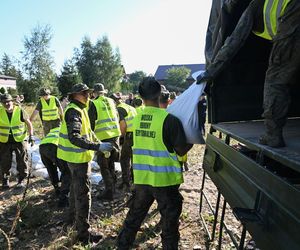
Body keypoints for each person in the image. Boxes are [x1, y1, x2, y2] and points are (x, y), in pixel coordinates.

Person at [197, 0, 300, 147]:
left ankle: (273, 135)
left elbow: (234, 41)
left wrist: (211, 71)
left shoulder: (254, 7)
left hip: (293, 21)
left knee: (275, 80)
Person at [117, 77, 193, 249]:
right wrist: (192, 139)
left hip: (143, 179)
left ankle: (122, 245)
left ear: (140, 96)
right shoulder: (169, 119)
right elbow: (181, 150)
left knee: (134, 218)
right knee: (169, 225)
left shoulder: (136, 118)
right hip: (165, 181)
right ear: (160, 94)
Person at [57, 83, 114, 244]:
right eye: (84, 93)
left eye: (88, 93)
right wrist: (97, 147)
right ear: (75, 95)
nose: (88, 96)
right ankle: (83, 234)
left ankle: (71, 219)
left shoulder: (80, 108)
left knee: (76, 189)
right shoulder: (74, 111)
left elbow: (87, 131)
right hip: (78, 160)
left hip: (75, 158)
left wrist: (98, 142)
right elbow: (74, 137)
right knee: (83, 194)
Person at [88, 83, 121, 201]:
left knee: (104, 166)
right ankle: (113, 186)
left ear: (94, 93)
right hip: (115, 137)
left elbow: (90, 124)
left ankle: (109, 192)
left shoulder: (93, 103)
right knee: (111, 163)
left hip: (103, 138)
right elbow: (117, 117)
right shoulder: (111, 101)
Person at [0, 94, 34, 189]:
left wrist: (31, 135)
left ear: (12, 101)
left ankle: (21, 180)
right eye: (4, 102)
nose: (6, 103)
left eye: (8, 101)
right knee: (4, 162)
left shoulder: (19, 110)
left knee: (22, 160)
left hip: (19, 140)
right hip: (4, 141)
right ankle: (5, 180)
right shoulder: (0, 111)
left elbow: (29, 124)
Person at [110, 93, 137, 191]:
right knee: (135, 159)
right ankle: (135, 180)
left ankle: (126, 182)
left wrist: (120, 137)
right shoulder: (129, 107)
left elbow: (123, 125)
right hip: (137, 135)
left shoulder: (119, 109)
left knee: (124, 159)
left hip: (130, 135)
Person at [39, 126, 71, 207]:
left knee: (51, 169)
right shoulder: (68, 128)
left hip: (42, 146)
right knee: (66, 171)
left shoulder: (54, 129)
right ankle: (63, 198)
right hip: (54, 146)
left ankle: (57, 188)